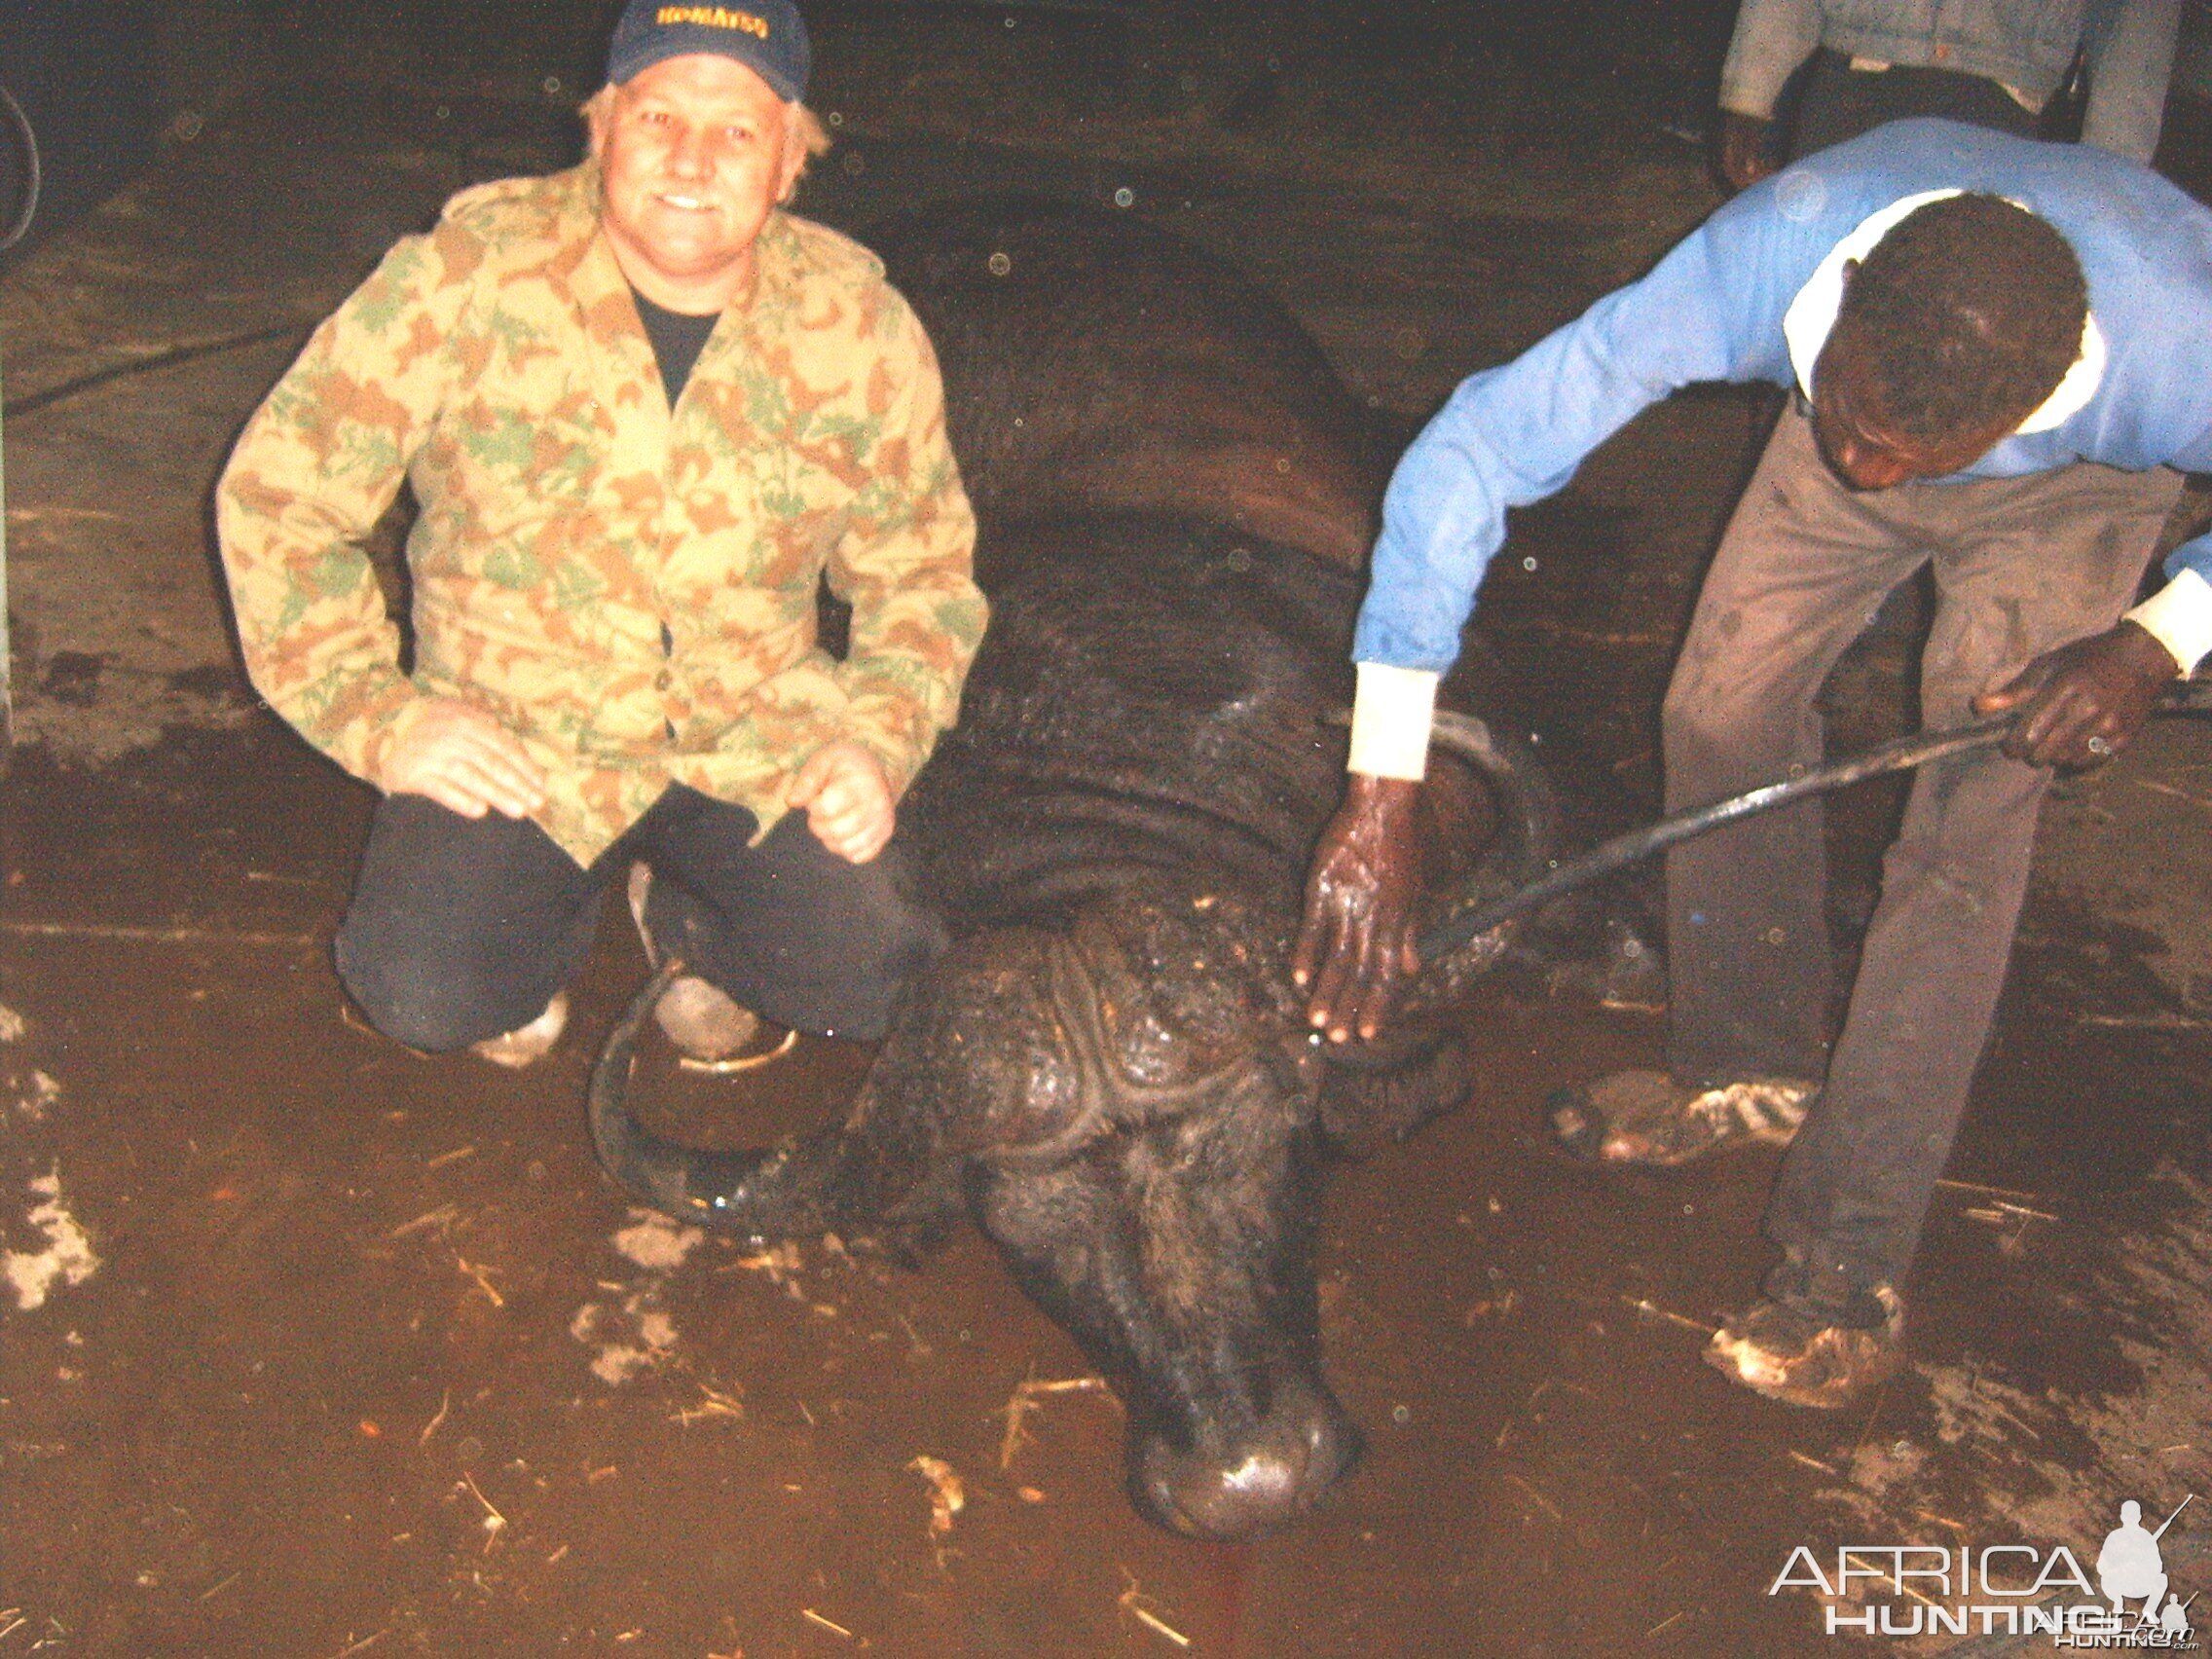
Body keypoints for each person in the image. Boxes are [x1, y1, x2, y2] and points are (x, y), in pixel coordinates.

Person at [1295, 119, 2212, 1409]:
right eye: (1855, 427)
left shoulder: (2182, 338)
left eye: (1902, 460)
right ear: (1839, 303)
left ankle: (1847, 1259)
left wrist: (2157, 640)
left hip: (2070, 493)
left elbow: (1932, 445)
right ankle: (1749, 1064)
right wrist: (1380, 783)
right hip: (1883, 376)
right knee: (1720, 712)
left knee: (1971, 816)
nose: (1868, 473)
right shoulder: (1780, 256)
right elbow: (1477, 449)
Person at [218, 0, 983, 1068]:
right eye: (659, 117)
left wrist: (877, 741)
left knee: (885, 981)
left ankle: (684, 926)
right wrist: (382, 717)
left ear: (789, 162)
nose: (691, 160)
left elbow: (925, 572)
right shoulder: (463, 276)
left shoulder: (860, 327)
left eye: (737, 132)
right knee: (423, 993)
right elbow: (280, 497)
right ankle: (536, 946)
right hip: (520, 739)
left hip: (753, 739)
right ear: (603, 128)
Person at [1715, 0, 2182, 191]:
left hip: (2001, 107)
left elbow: (2138, 25)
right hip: (1852, 82)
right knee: (1818, 300)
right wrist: (1750, 95)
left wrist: (2115, 167)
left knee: (1949, 320)